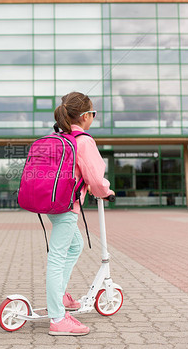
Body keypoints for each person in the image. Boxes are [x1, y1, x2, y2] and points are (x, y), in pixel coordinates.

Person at [46, 91, 114, 336]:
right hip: (67, 207)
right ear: (85, 116)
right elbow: (95, 177)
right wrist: (105, 192)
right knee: (57, 256)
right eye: (93, 113)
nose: (93, 117)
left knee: (75, 245)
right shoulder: (83, 141)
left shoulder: (59, 137)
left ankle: (60, 296)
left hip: (51, 204)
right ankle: (57, 318)